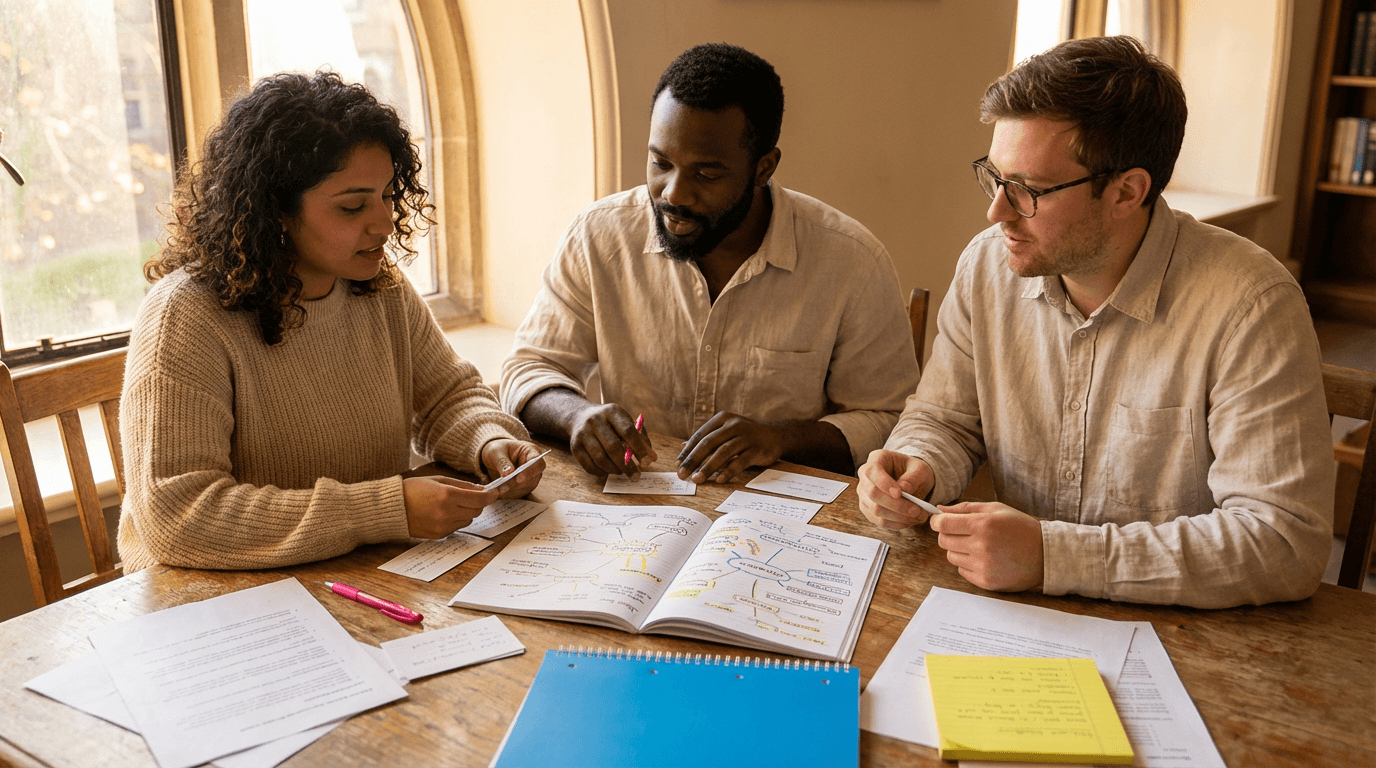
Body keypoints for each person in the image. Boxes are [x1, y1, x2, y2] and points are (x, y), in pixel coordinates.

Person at [857, 36, 1334, 608]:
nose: (997, 211)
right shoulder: (987, 266)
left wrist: (1053, 557)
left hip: (1183, 637)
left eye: (1029, 190)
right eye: (994, 176)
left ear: (1127, 192)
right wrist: (919, 465)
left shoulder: (1250, 304)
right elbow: (948, 419)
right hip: (1011, 615)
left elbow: (1282, 541)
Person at [118, 71, 545, 572]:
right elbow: (180, 517)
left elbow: (449, 397)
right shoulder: (186, 317)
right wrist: (386, 509)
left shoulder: (379, 286)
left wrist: (489, 441)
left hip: (350, 571)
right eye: (352, 206)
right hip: (209, 602)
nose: (385, 223)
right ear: (274, 209)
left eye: (388, 195)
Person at [502, 43, 920, 484]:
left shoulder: (851, 261)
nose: (674, 194)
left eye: (706, 173)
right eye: (660, 162)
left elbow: (890, 419)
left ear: (763, 168)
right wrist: (577, 416)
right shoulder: (599, 236)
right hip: (635, 514)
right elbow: (527, 368)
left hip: (778, 520)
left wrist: (778, 440)